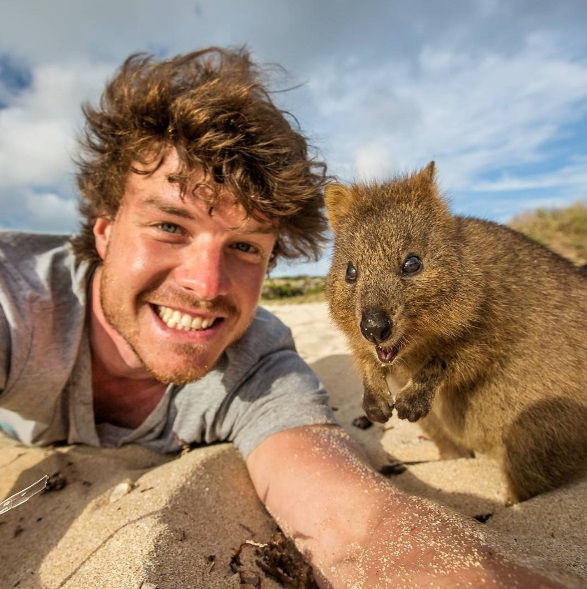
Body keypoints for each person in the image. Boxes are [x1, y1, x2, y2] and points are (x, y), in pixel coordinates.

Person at [0, 47, 574, 588]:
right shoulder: (19, 300)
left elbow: (356, 526)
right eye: (170, 226)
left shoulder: (259, 366)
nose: (205, 284)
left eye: (246, 247)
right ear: (104, 231)